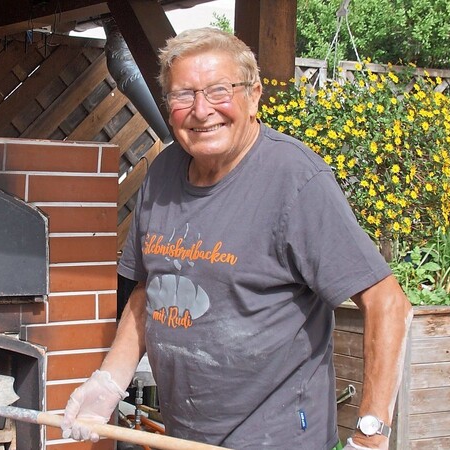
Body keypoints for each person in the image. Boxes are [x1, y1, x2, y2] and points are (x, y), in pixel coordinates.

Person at [60, 27, 413, 450]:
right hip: (187, 437)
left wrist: (370, 434)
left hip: (277, 439)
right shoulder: (162, 174)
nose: (201, 110)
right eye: (183, 95)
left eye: (218, 91)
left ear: (254, 95)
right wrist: (107, 385)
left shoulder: (295, 180)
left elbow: (388, 303)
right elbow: (146, 293)